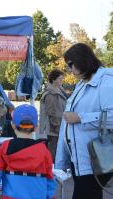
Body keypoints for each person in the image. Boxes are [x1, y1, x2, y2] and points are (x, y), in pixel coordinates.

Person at [55, 43, 113, 199]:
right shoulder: (82, 83)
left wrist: (81, 117)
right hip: (80, 160)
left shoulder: (107, 81)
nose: (68, 70)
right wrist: (63, 158)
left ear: (82, 61)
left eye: (70, 65)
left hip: (95, 160)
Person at [0, 104, 56, 199]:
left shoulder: (6, 148)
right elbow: (50, 181)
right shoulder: (44, 151)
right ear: (36, 127)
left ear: (13, 125)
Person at [39, 69, 68, 160]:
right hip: (54, 128)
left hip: (58, 126)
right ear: (54, 79)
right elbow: (52, 113)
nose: (61, 81)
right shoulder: (51, 94)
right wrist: (57, 126)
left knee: (57, 152)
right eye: (60, 79)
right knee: (54, 153)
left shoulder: (59, 90)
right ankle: (52, 171)